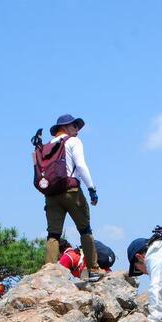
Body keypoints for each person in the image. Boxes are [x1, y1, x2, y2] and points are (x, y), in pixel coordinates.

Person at [42, 114, 102, 281]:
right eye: (75, 126)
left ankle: (48, 273)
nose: (77, 130)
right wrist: (92, 189)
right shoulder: (73, 141)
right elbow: (81, 165)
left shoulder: (47, 146)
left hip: (51, 194)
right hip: (71, 192)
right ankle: (93, 269)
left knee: (53, 234)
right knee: (85, 230)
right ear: (65, 127)